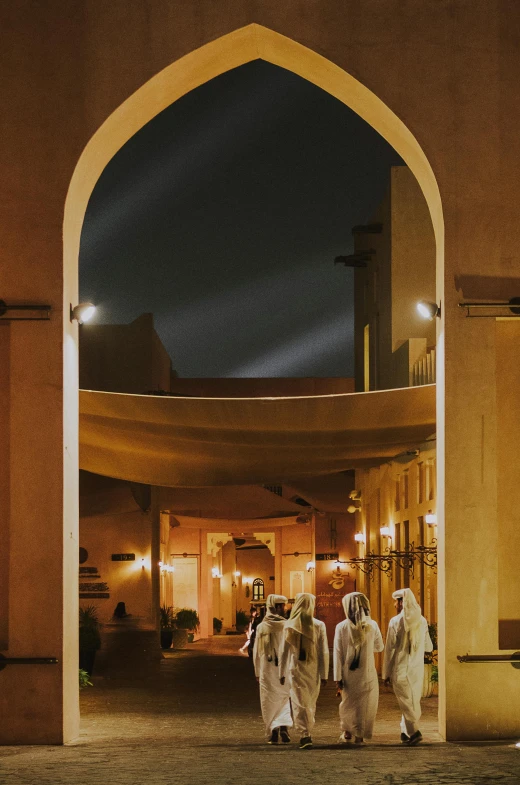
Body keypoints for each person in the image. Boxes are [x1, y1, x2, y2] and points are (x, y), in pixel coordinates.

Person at [382, 588, 433, 746]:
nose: (395, 605)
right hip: (416, 669)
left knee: (405, 700)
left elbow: (389, 648)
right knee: (412, 700)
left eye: (397, 602)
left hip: (401, 668)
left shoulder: (395, 621)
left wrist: (386, 673)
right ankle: (405, 732)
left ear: (402, 602)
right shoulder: (422, 621)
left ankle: (414, 731)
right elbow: (428, 647)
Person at [279, 592, 329, 749]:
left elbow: (323, 650)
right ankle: (305, 734)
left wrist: (324, 673)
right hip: (301, 670)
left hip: (305, 670)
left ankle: (306, 731)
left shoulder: (315, 625)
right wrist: (324, 673)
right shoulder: (293, 626)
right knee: (302, 702)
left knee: (306, 702)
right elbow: (285, 650)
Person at [333, 592, 384, 744]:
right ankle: (360, 735)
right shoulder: (372, 625)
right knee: (365, 704)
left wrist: (337, 677)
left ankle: (347, 731)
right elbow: (380, 647)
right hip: (367, 673)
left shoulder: (341, 627)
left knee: (348, 702)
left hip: (348, 673)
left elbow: (338, 653)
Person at [253, 594, 292, 744]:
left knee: (270, 699)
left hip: (267, 669)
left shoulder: (262, 626)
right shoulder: (286, 625)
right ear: (275, 607)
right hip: (283, 668)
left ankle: (274, 730)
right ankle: (282, 728)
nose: (283, 609)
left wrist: (257, 671)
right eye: (281, 606)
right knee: (282, 698)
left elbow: (256, 653)